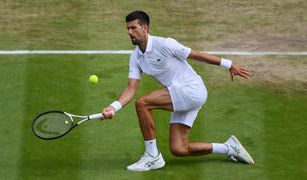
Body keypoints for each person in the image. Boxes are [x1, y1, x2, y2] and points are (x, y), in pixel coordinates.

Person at [102, 10, 254, 171]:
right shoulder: (136, 57)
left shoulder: (165, 44)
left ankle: (152, 156)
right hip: (181, 93)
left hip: (192, 89)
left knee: (143, 103)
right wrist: (113, 107)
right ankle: (229, 148)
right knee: (179, 148)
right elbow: (131, 88)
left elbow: (195, 55)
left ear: (145, 28)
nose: (129, 32)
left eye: (133, 28)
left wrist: (229, 64)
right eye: (127, 29)